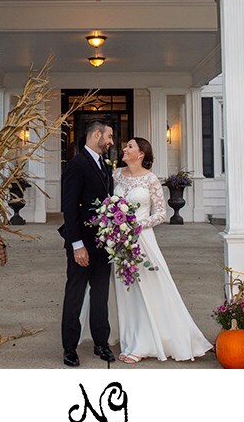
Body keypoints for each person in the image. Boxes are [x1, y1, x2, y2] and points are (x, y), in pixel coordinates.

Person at [111, 137, 213, 363]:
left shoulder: (151, 180)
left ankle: (143, 343)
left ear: (141, 155)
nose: (124, 149)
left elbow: (160, 214)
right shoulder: (117, 175)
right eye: (126, 146)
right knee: (126, 290)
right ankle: (130, 338)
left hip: (142, 239)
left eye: (130, 147)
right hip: (119, 240)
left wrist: (137, 225)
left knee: (147, 288)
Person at [58, 120, 116, 367]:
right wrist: (77, 245)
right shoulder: (77, 164)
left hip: (103, 243)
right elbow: (69, 208)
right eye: (109, 137)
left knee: (101, 295)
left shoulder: (104, 164)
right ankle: (69, 348)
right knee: (75, 294)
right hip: (82, 243)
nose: (111, 142)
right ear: (96, 135)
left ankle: (101, 342)